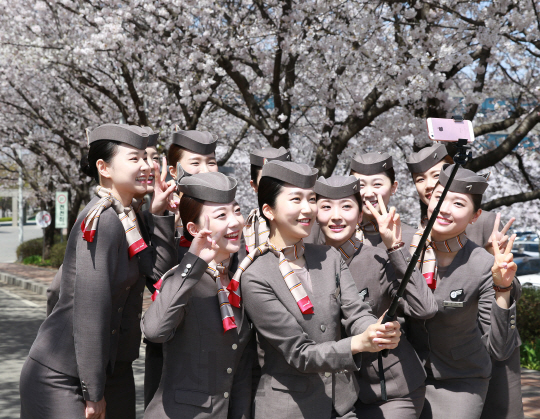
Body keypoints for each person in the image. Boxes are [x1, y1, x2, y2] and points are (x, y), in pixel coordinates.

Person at [20, 124, 177, 419]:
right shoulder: (101, 220)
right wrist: (93, 392)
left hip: (112, 371)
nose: (147, 166)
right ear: (104, 168)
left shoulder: (130, 216)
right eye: (135, 159)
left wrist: (158, 214)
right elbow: (90, 308)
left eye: (147, 157)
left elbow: (160, 276)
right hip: (65, 376)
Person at [239, 160, 402, 418]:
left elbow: (356, 312)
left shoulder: (329, 257)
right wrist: (359, 343)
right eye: (296, 200)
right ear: (269, 211)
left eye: (311, 199)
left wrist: (374, 331)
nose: (308, 209)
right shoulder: (256, 276)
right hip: (290, 410)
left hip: (342, 404)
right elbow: (299, 353)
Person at [406, 144, 524, 419]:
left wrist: (503, 286)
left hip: (461, 378)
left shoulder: (481, 263)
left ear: (474, 217)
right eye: (438, 197)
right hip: (410, 375)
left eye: (458, 203)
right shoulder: (406, 247)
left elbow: (499, 347)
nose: (444, 209)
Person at [314, 175, 437, 418]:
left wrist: (395, 248)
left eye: (346, 206)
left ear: (360, 216)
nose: (336, 216)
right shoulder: (308, 264)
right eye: (326, 207)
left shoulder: (378, 259)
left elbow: (425, 308)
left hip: (390, 392)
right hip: (334, 396)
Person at [142, 172, 254, 418]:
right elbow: (154, 331)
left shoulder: (242, 281)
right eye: (221, 216)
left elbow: (242, 370)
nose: (234, 222)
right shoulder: (182, 279)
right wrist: (192, 264)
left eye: (236, 211)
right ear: (193, 229)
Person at [144, 128, 220, 407]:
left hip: (214, 343)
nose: (205, 169)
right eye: (195, 163)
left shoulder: (225, 212)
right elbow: (157, 278)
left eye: (210, 161)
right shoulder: (159, 213)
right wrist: (160, 216)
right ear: (175, 170)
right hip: (169, 343)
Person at [349, 152, 417, 249]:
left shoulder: (413, 238)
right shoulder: (337, 232)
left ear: (393, 187)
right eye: (361, 185)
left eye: (377, 184)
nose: (368, 194)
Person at [244, 146, 291, 253]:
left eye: (282, 180)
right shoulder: (243, 231)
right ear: (254, 185)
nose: (276, 187)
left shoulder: (310, 224)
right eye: (267, 180)